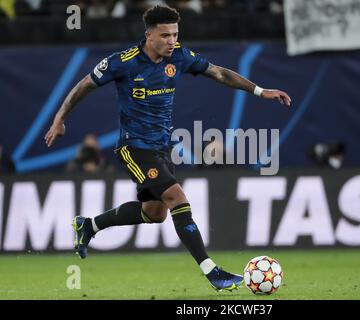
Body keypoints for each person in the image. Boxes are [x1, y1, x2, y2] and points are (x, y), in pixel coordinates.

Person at [44, 5, 291, 291]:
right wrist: (60, 119)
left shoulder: (181, 57)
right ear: (149, 35)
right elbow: (84, 85)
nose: (172, 40)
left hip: (161, 147)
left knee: (155, 213)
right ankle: (213, 272)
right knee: (177, 198)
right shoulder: (122, 62)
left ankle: (89, 226)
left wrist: (260, 91)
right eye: (165, 35)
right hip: (134, 147)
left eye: (175, 34)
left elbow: (220, 74)